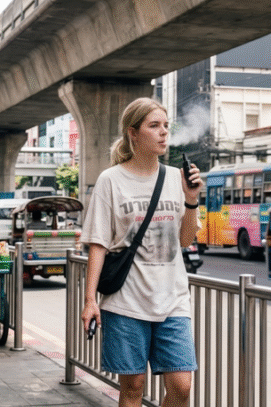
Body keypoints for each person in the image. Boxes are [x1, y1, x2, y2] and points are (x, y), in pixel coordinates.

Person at [79, 97, 202, 407]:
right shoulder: (111, 180)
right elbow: (98, 244)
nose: (163, 133)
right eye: (154, 126)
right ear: (133, 133)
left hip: (173, 300)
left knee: (182, 386)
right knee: (132, 388)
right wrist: (90, 300)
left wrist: (191, 200)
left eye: (165, 126)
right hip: (126, 303)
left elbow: (186, 240)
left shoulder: (177, 178)